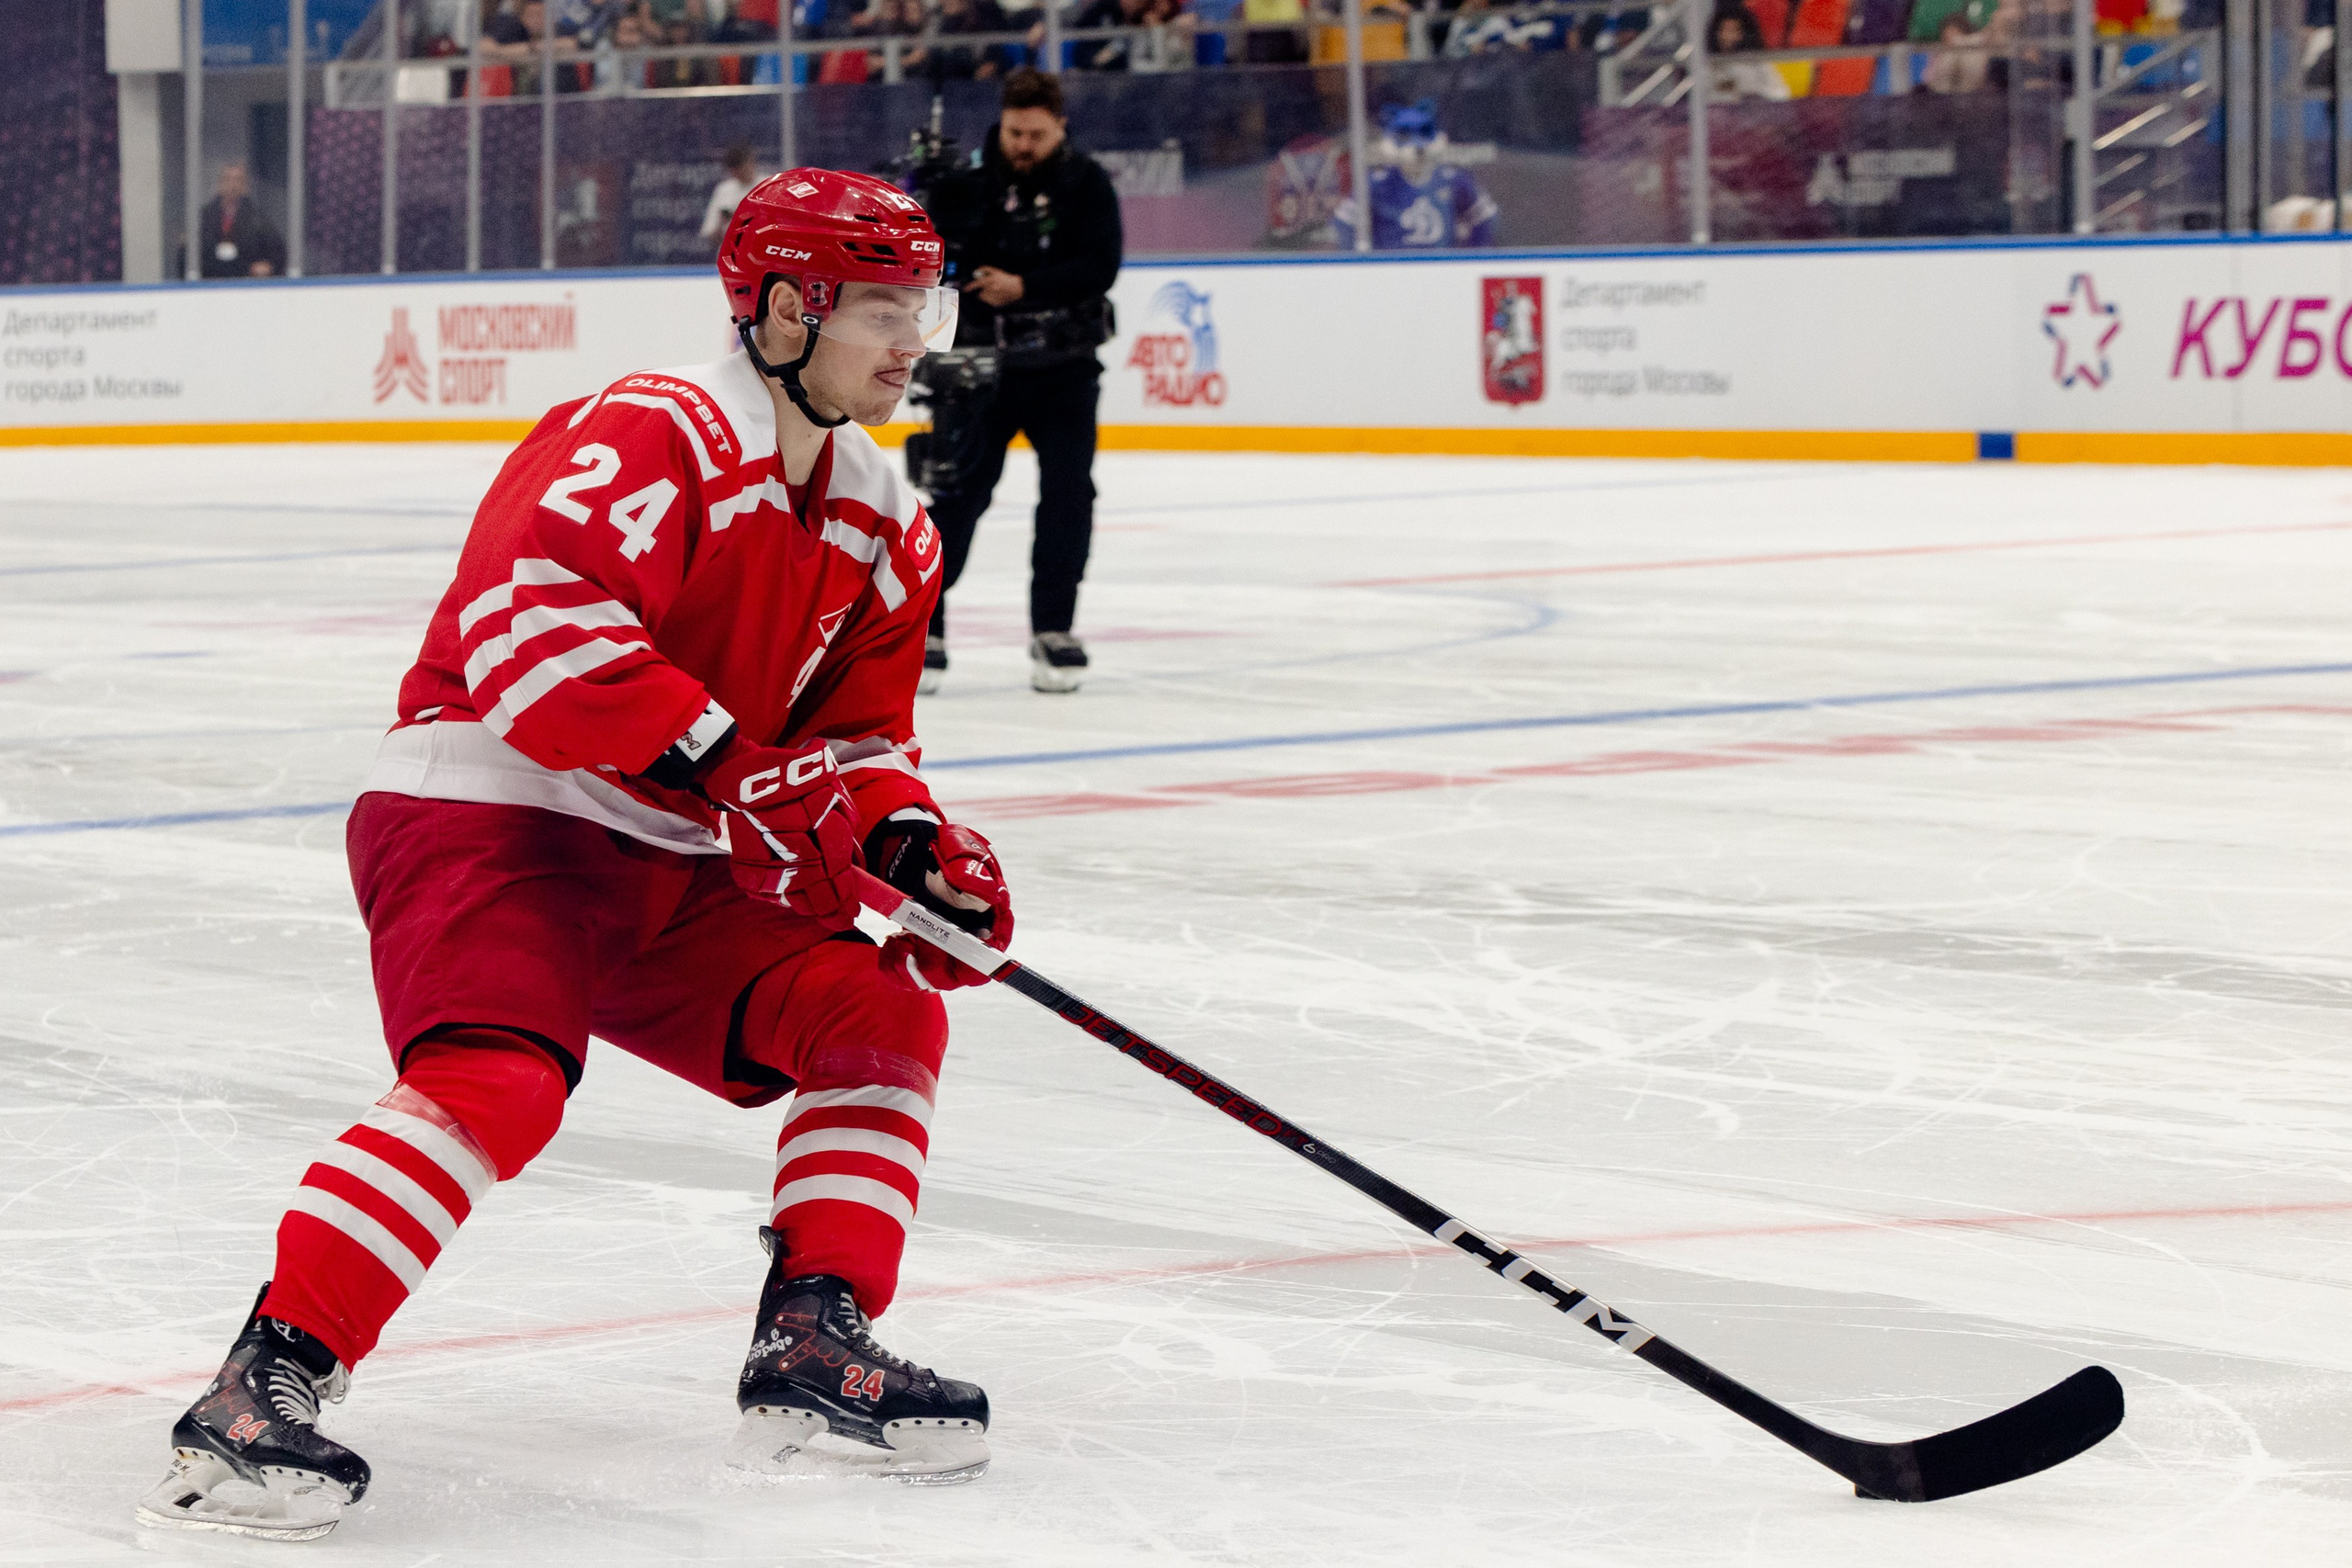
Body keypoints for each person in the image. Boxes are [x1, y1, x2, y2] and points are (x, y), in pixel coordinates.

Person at [134, 169, 1014, 1542]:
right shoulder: (650, 431)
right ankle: (268, 1379)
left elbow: (854, 742)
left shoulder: (886, 521)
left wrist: (910, 848)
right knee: (498, 1076)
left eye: (925, 303)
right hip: (495, 807)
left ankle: (814, 1334)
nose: (917, 338)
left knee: (877, 1006)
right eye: (887, 306)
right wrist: (733, 762)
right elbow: (532, 627)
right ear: (787, 308)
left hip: (671, 854)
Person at [918, 67, 1122, 695]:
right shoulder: (970, 183)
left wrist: (1026, 287)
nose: (1024, 145)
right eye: (1015, 132)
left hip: (1065, 370)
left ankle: (1053, 629)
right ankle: (922, 627)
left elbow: (1100, 265)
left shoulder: (1087, 184)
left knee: (1068, 497)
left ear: (1059, 125)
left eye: (1035, 133)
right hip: (982, 369)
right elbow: (931, 258)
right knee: (957, 496)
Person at [187, 163, 287, 279]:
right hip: (209, 285)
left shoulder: (257, 219)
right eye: (227, 179)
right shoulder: (204, 218)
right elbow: (190, 253)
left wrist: (268, 266)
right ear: (219, 184)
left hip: (246, 284)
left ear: (245, 186)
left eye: (238, 180)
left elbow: (278, 253)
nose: (232, 185)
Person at [699, 142, 761, 247]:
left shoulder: (768, 185)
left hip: (761, 251)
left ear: (750, 162)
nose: (740, 172)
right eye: (735, 169)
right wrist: (724, 221)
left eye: (742, 166)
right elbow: (711, 234)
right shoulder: (724, 190)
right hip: (730, 254)